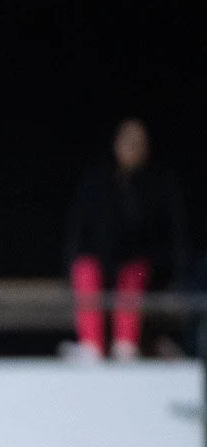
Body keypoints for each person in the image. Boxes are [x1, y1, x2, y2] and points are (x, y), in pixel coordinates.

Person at [66, 118, 190, 361]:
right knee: (84, 268)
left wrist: (177, 270)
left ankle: (126, 345)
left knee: (133, 276)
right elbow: (79, 227)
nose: (132, 147)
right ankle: (91, 346)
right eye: (127, 141)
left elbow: (175, 232)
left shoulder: (159, 183)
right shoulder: (98, 179)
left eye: (138, 143)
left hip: (142, 266)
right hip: (102, 261)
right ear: (117, 145)